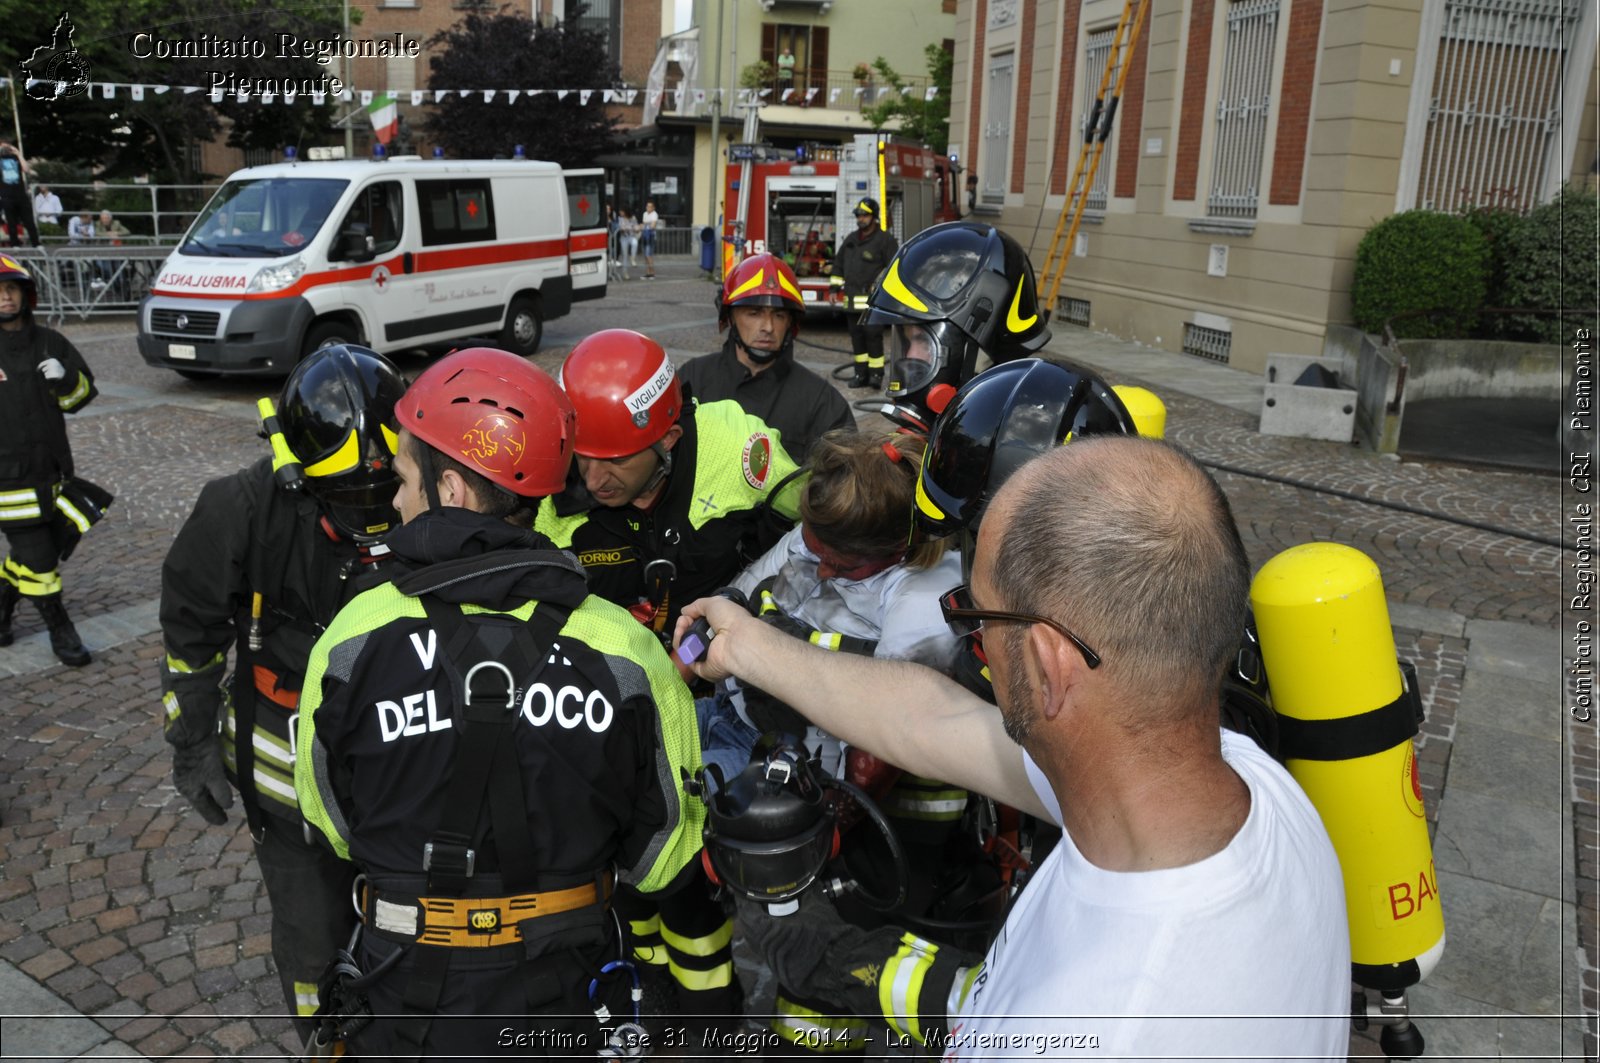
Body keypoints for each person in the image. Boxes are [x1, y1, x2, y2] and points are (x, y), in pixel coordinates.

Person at [677, 436, 1352, 1059]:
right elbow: (929, 720)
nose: (972, 645)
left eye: (976, 618)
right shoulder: (1246, 782)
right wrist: (750, 645)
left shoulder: (1109, 1025)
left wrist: (853, 960)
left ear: (1049, 665)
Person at [294, 347, 705, 1057]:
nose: (394, 499)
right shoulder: (625, 648)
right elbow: (666, 849)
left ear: (450, 488)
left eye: (402, 478)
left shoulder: (350, 640)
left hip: (402, 998)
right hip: (565, 998)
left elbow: (329, 817)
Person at [535, 328, 801, 1037]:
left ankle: (711, 1023)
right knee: (627, 893)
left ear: (671, 436)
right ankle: (645, 998)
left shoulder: (736, 449)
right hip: (616, 723)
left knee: (695, 896)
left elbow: (817, 535)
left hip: (722, 715)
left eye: (614, 457)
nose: (593, 477)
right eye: (580, 452)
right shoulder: (557, 499)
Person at [159, 345, 407, 1043]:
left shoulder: (422, 481)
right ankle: (325, 1043)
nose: (374, 515)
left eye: (383, 492)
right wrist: (191, 742)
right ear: (300, 477)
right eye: (351, 500)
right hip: (288, 791)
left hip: (405, 780)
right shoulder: (239, 510)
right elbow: (190, 630)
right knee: (312, 944)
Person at [0, 255, 106, 667]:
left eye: (11, 289)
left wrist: (66, 378)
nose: (5, 298)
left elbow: (79, 400)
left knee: (37, 552)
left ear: (26, 295)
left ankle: (2, 611)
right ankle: (60, 629)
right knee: (41, 559)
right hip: (6, 484)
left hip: (55, 476)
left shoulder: (51, 342)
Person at [864, 220, 1051, 429]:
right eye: (906, 342)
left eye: (924, 343)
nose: (909, 357)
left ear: (981, 340)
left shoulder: (1026, 432)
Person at [678, 251, 854, 463]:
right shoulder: (693, 379)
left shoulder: (821, 402)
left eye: (778, 315)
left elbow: (848, 483)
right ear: (731, 317)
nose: (768, 327)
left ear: (791, 323)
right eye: (755, 313)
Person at [831, 197, 897, 390]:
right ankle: (861, 374)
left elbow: (893, 267)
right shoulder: (851, 239)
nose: (861, 218)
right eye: (859, 215)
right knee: (857, 339)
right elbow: (838, 264)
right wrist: (834, 288)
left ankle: (876, 375)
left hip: (872, 303)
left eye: (864, 215)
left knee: (873, 338)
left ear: (873, 217)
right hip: (851, 302)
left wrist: (880, 287)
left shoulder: (885, 241)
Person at [0, 142, 37, 247]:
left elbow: (26, 169)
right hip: (7, 195)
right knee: (11, 222)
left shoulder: (16, 158)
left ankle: (36, 243)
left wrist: (18, 154)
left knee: (28, 220)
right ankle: (14, 244)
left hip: (20, 194)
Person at [93, 210, 131, 292]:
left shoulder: (117, 223)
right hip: (103, 251)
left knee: (119, 268)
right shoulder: (98, 224)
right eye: (103, 218)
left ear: (110, 218)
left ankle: (121, 286)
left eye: (106, 218)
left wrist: (116, 233)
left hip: (116, 250)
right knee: (107, 268)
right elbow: (96, 233)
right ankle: (114, 285)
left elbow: (127, 232)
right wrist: (109, 234)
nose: (105, 220)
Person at [617, 206, 639, 280]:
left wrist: (636, 228)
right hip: (624, 238)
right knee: (625, 255)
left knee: (635, 243)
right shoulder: (620, 219)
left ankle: (633, 258)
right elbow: (621, 228)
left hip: (631, 236)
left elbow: (636, 227)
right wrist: (627, 228)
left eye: (622, 211)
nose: (620, 213)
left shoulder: (633, 218)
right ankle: (625, 272)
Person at [640, 200, 659, 279]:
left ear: (653, 208)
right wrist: (647, 225)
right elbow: (644, 224)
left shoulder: (654, 214)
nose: (648, 208)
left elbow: (653, 226)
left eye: (650, 206)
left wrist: (646, 225)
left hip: (651, 236)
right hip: (645, 235)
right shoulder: (645, 214)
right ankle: (648, 272)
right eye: (647, 206)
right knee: (645, 255)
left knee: (649, 254)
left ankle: (652, 273)